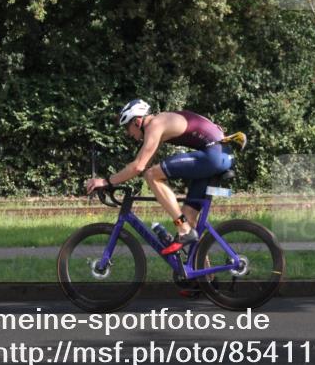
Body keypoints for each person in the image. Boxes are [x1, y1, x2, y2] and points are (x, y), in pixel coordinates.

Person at [83, 99, 233, 255]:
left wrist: (105, 181)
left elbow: (139, 167)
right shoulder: (161, 124)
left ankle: (183, 228)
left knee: (152, 175)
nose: (128, 134)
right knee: (189, 217)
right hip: (219, 154)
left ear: (137, 121)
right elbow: (142, 163)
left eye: (127, 128)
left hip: (213, 156)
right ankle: (204, 275)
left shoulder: (156, 124)